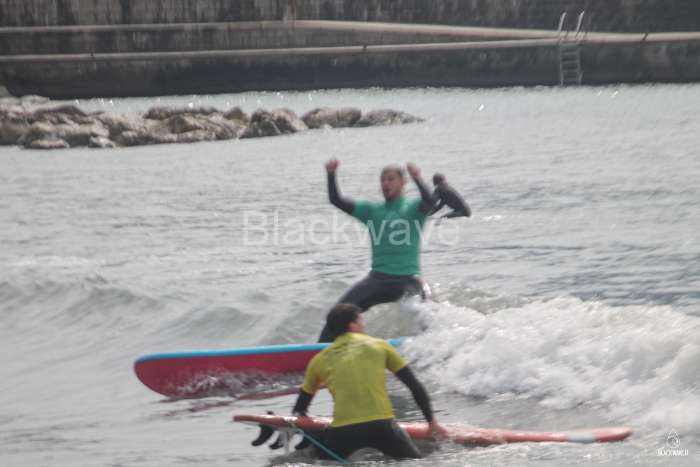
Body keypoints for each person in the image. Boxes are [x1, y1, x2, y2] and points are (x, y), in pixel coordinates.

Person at [293, 304, 448, 460]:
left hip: (343, 431)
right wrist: (431, 423)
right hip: (382, 427)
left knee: (317, 459)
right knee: (414, 460)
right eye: (361, 320)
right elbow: (414, 386)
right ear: (352, 325)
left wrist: (310, 434)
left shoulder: (319, 360)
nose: (363, 325)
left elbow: (300, 409)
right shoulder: (379, 346)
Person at [318, 159, 434, 342]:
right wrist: (331, 174)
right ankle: (320, 351)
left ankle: (430, 348)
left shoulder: (413, 209)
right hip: (378, 279)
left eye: (391, 179)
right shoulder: (371, 211)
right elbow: (336, 200)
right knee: (337, 316)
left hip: (408, 279)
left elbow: (430, 201)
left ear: (403, 182)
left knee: (428, 317)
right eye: (383, 180)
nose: (386, 183)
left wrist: (417, 178)